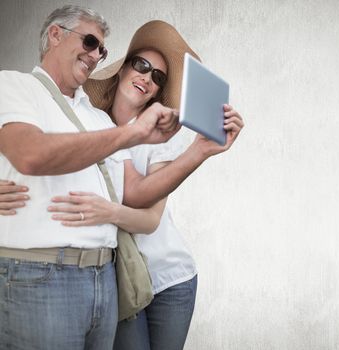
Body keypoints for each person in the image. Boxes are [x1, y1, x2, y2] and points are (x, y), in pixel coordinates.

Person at [0, 6, 243, 350]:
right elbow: (30, 153)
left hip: (108, 279)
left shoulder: (98, 120)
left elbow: (136, 196)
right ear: (55, 35)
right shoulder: (13, 85)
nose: (96, 54)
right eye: (89, 41)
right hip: (43, 275)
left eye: (102, 49)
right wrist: (132, 135)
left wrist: (200, 150)